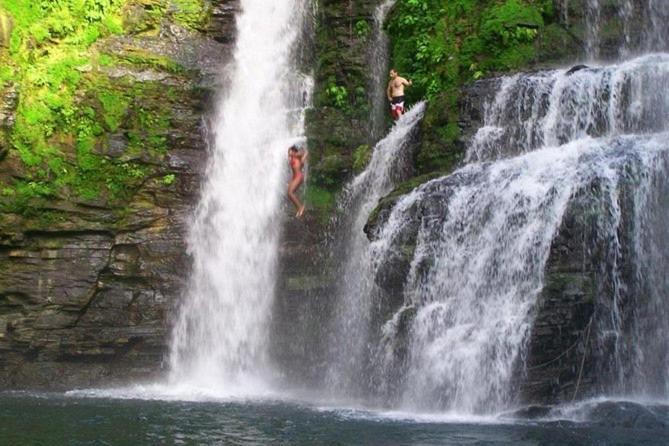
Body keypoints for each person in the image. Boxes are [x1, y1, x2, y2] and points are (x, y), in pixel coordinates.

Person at [287, 145, 308, 218]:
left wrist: (303, 158)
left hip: (299, 176)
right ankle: (298, 209)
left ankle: (301, 207)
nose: (288, 153)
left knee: (290, 193)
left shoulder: (296, 155)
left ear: (293, 151)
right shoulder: (293, 157)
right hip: (295, 177)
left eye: (290, 151)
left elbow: (305, 152)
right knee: (289, 194)